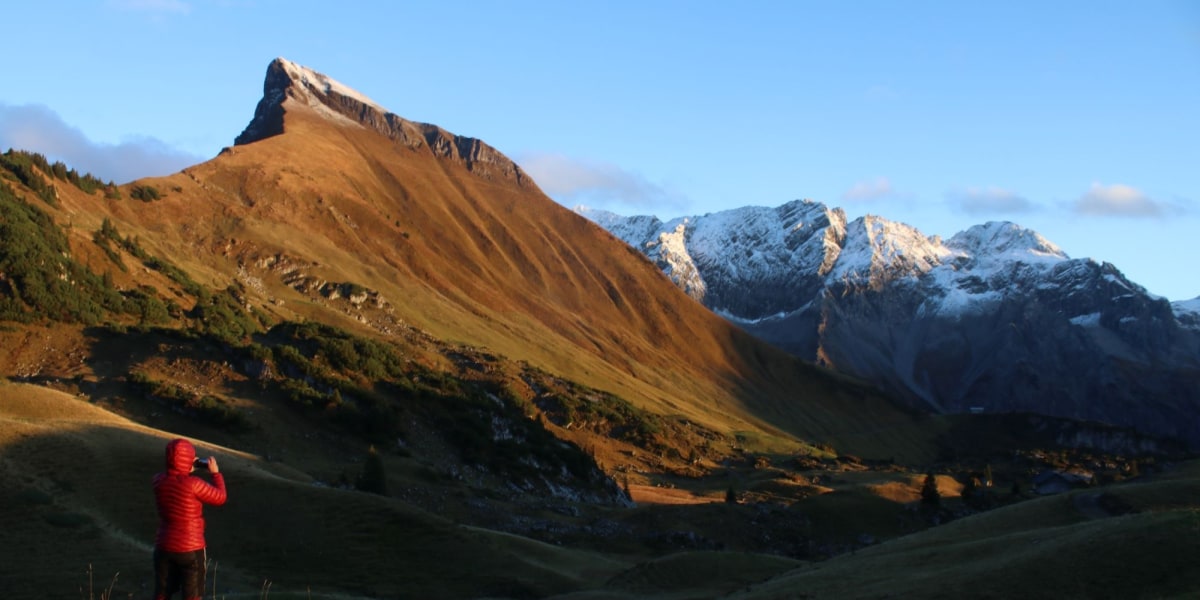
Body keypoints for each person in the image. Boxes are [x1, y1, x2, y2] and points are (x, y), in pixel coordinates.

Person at [152, 438, 227, 600]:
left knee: (162, 594)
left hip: (163, 545)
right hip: (191, 549)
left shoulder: (157, 481)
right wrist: (216, 474)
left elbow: (173, 477)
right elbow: (220, 497)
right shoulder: (193, 484)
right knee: (192, 596)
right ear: (189, 459)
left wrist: (183, 469)